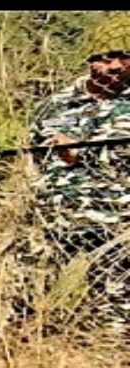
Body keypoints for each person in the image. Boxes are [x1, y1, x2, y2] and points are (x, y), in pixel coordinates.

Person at [27, 16, 130, 337]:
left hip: (119, 226)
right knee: (33, 295)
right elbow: (29, 157)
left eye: (123, 56)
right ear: (89, 60)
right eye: (105, 57)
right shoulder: (53, 106)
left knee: (115, 311)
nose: (115, 65)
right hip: (55, 221)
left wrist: (83, 152)